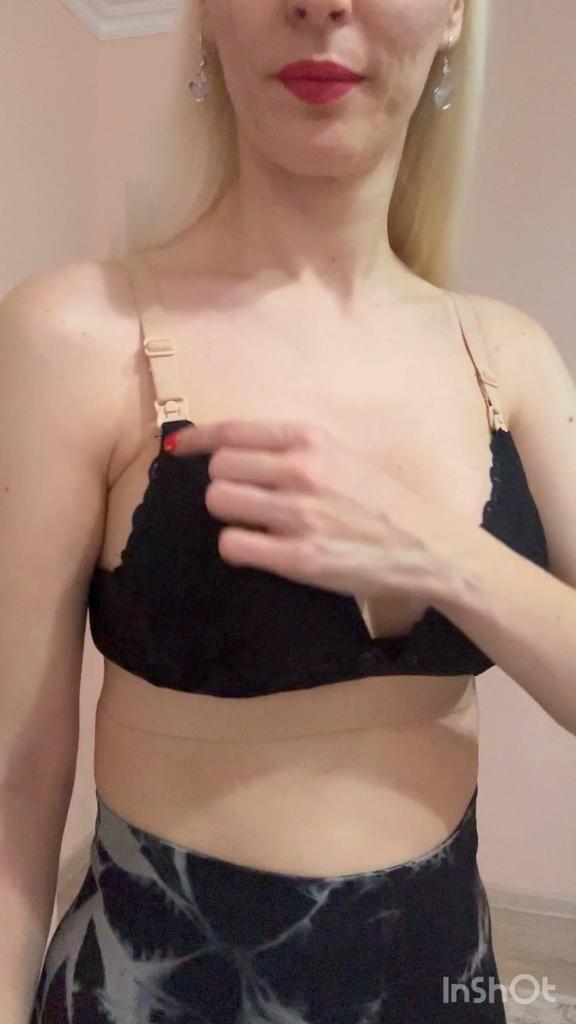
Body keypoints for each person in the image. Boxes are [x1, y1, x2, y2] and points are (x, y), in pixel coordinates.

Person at [2, 0, 575, 1021]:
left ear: (453, 15)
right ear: (207, 16)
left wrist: (439, 552)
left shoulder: (511, 359)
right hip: (150, 990)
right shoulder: (79, 335)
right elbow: (12, 789)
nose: (322, 3)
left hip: (442, 984)